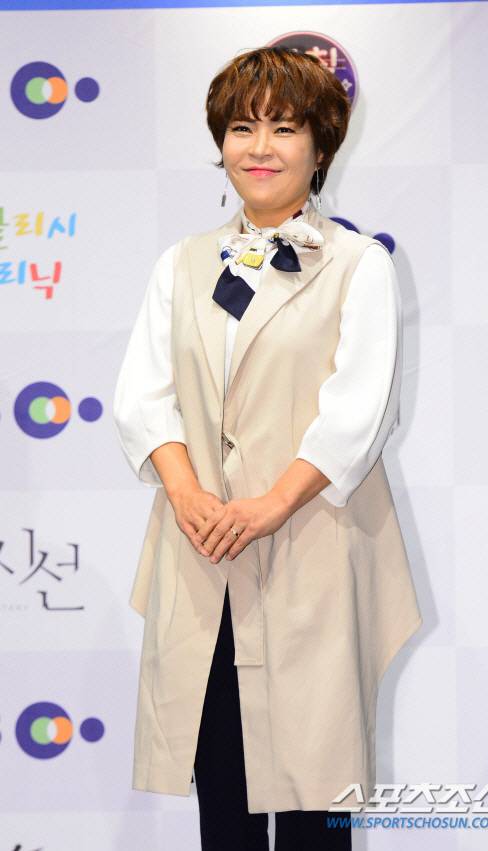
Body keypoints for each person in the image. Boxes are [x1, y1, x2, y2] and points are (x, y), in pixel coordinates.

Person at [113, 46, 422, 851]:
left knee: (319, 797)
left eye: (284, 128)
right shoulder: (181, 264)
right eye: (242, 127)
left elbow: (357, 411)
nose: (259, 147)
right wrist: (189, 496)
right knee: (226, 801)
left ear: (321, 148)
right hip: (205, 550)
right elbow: (143, 397)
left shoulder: (360, 264)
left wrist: (269, 505)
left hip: (312, 546)